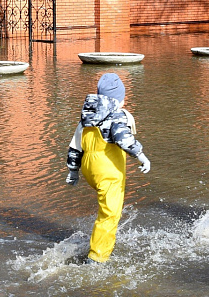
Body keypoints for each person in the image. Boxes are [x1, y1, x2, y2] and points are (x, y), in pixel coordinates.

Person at [65, 72, 151, 263]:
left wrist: (73, 171)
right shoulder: (117, 115)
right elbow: (123, 138)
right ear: (120, 98)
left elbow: (74, 147)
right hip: (107, 169)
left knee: (105, 208)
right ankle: (97, 257)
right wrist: (141, 155)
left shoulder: (86, 118)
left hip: (88, 168)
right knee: (110, 214)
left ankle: (100, 243)